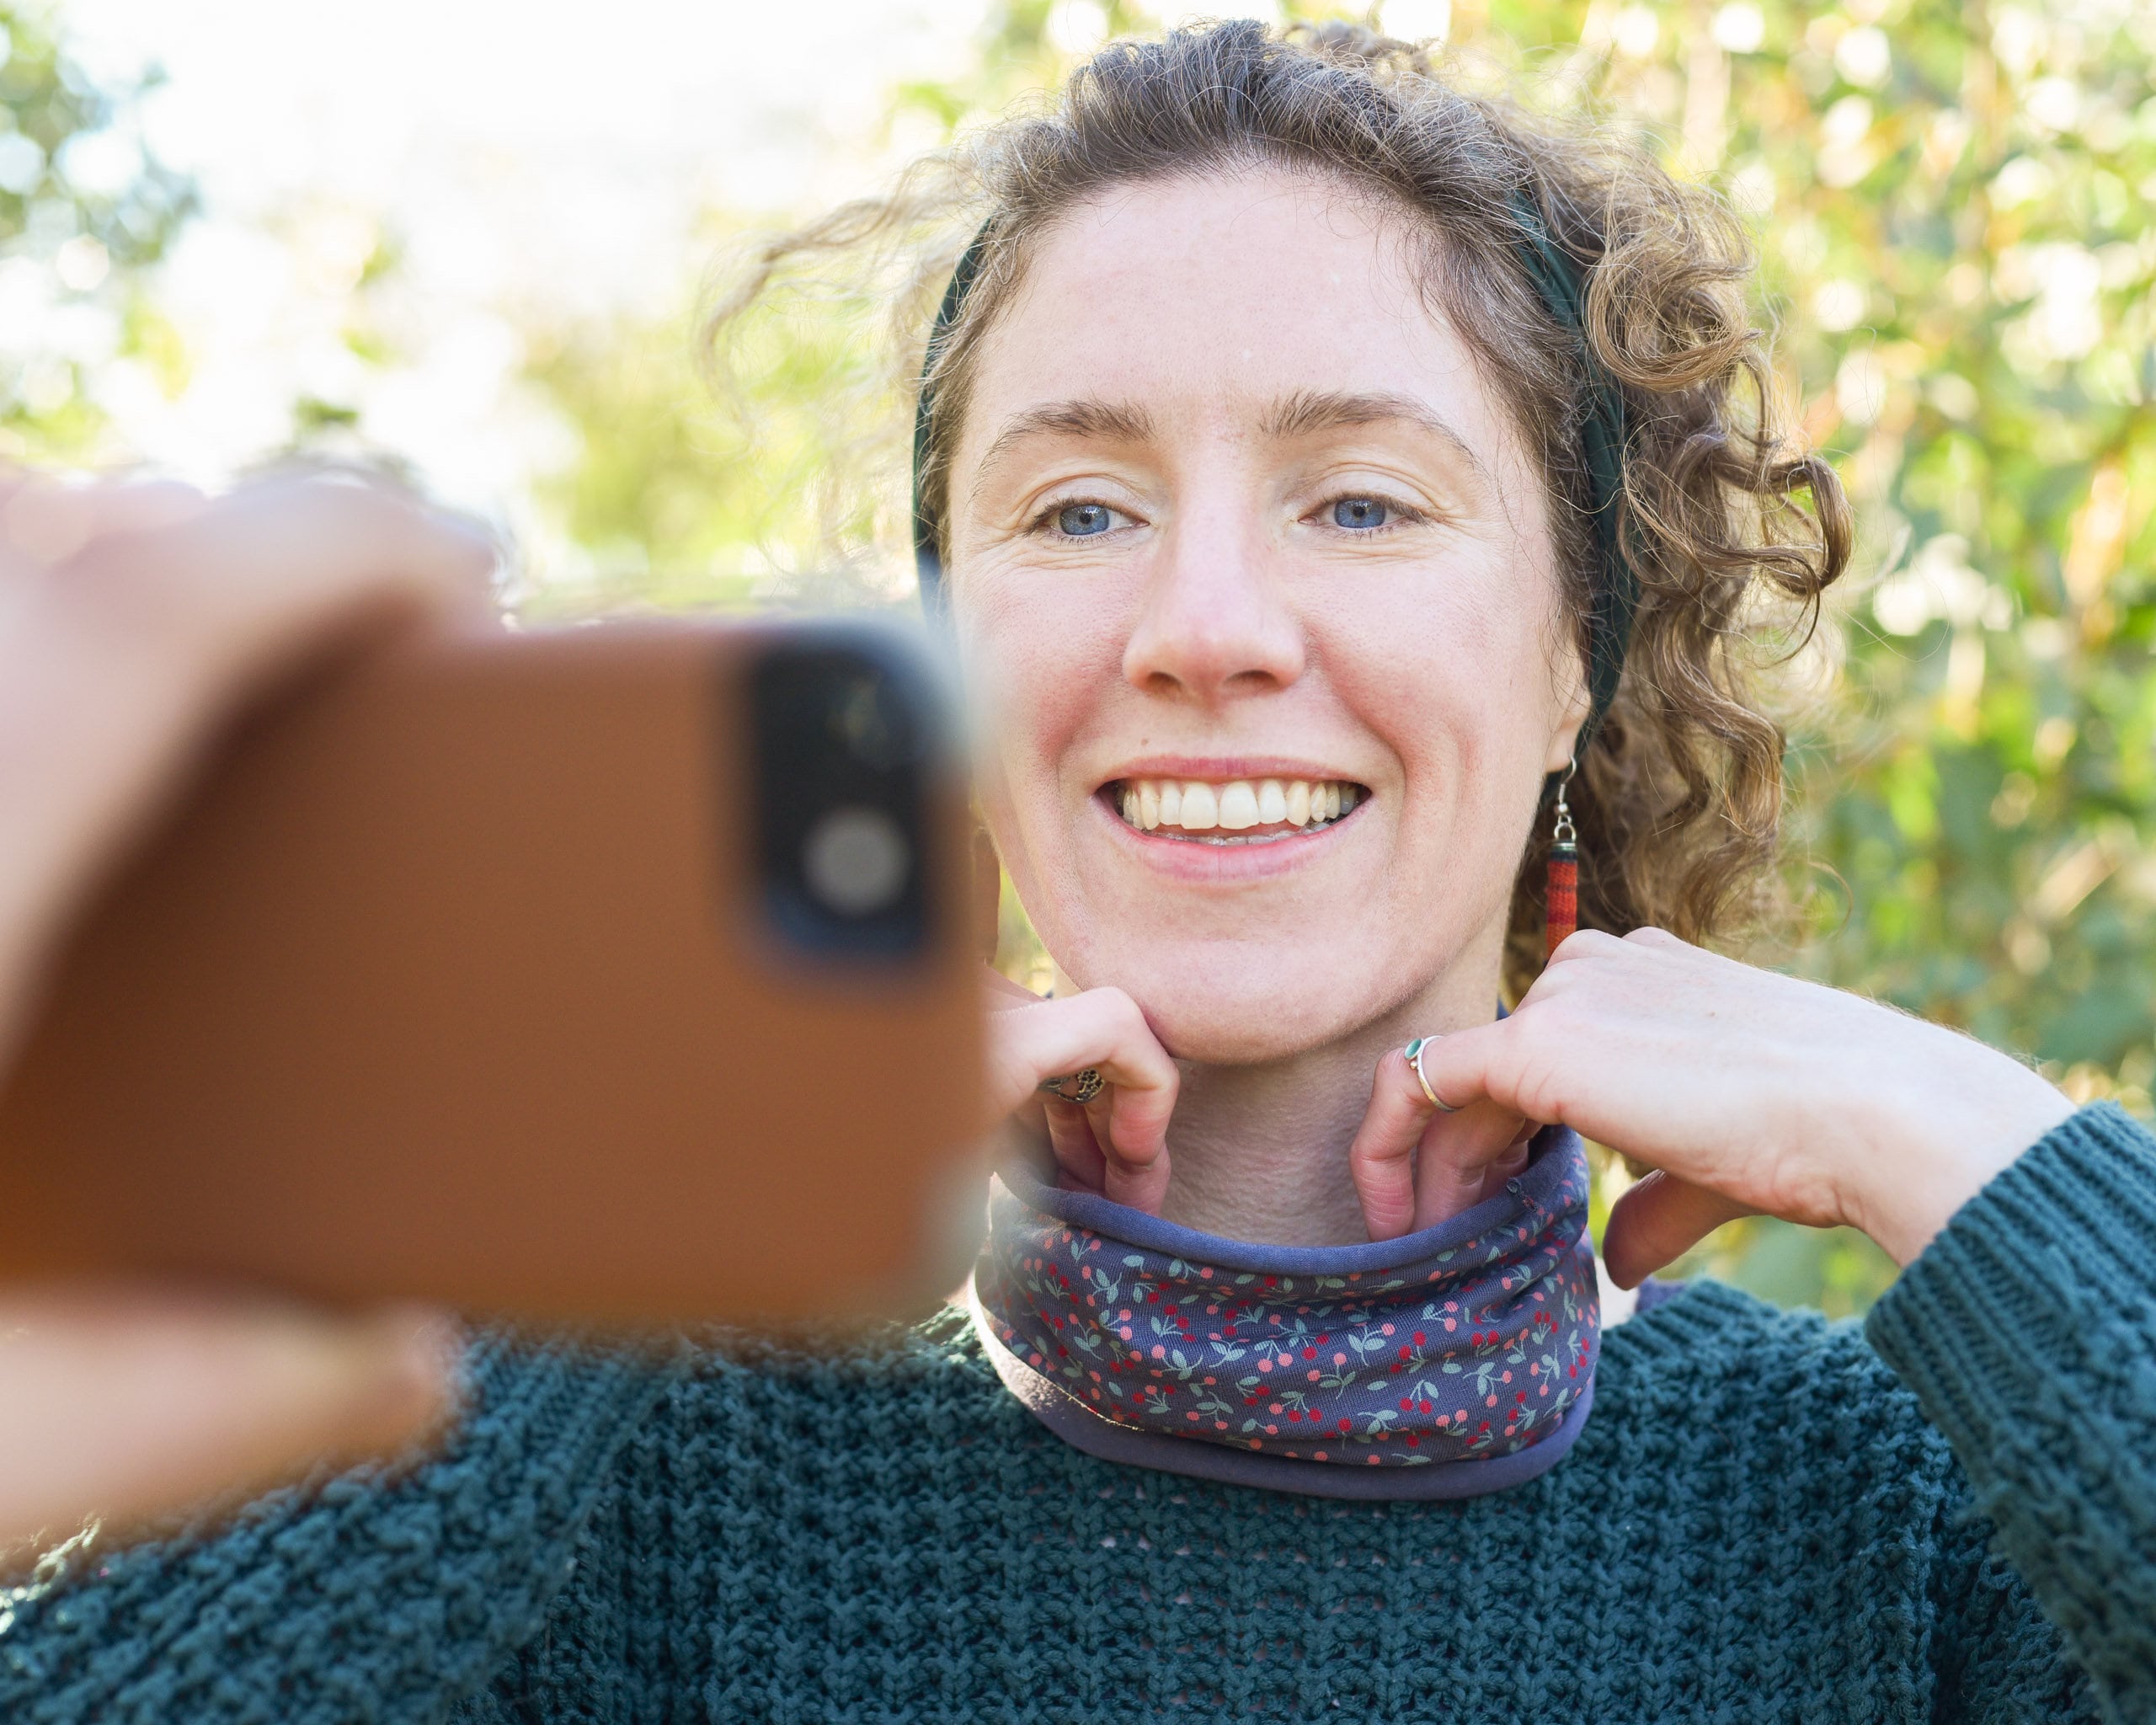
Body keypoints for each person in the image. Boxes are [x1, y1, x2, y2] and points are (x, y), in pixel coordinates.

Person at [3, 22, 2152, 1722]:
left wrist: (1966, 1147)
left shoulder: (1897, 1524)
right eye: (1077, 511)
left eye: (1362, 503)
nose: (1199, 622)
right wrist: (600, 1247)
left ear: (1580, 646)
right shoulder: (609, 1483)